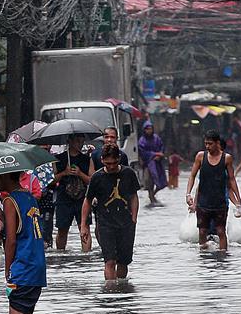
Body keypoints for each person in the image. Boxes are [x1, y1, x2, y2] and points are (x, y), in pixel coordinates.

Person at [0, 171, 49, 314]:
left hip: (23, 266)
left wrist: (8, 268)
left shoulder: (10, 201)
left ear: (5, 177)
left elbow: (11, 240)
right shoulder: (30, 197)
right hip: (37, 265)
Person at [80, 145, 140, 280]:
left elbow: (133, 196)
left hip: (126, 222)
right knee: (110, 261)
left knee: (123, 261)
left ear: (119, 159)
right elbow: (87, 200)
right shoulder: (97, 177)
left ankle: (121, 290)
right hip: (105, 223)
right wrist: (84, 225)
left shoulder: (129, 174)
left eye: (114, 163)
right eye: (108, 163)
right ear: (102, 160)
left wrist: (134, 218)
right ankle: (111, 292)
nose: (111, 166)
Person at [185, 130, 241, 251]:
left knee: (221, 231)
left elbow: (232, 180)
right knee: (202, 231)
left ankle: (223, 255)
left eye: (210, 143)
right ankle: (204, 255)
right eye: (206, 143)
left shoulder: (226, 158)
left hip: (220, 202)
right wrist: (188, 194)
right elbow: (192, 176)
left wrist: (239, 201)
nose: (207, 146)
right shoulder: (200, 157)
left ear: (217, 143)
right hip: (203, 202)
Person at [52, 133, 92, 251]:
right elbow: (52, 180)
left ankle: (86, 253)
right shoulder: (58, 159)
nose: (80, 143)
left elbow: (92, 180)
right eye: (77, 141)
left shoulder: (87, 159)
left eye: (82, 141)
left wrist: (80, 174)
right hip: (64, 198)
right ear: (69, 141)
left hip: (82, 199)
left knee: (84, 227)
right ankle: (60, 252)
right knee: (62, 229)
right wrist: (64, 172)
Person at [137, 120, 167, 205]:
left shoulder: (156, 138)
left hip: (158, 163)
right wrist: (154, 154)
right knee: (149, 181)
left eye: (150, 129)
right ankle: (151, 197)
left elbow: (161, 147)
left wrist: (159, 155)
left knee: (160, 182)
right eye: (147, 129)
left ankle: (153, 195)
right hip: (148, 164)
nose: (149, 131)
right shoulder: (142, 140)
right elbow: (143, 152)